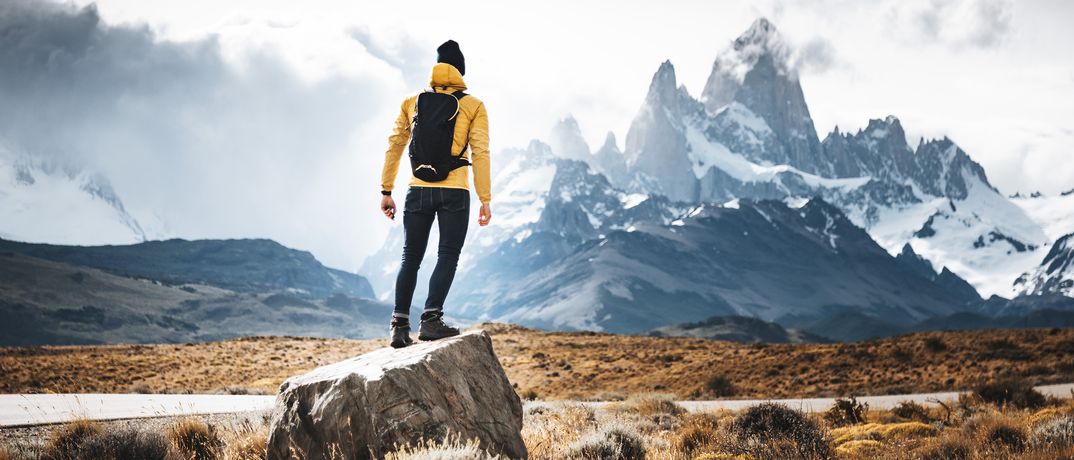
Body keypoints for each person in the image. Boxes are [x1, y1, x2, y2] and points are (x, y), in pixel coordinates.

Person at [379, 40, 492, 348]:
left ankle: (399, 326)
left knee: (410, 256)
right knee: (447, 255)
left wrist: (387, 189)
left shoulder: (413, 102)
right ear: (461, 71)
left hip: (418, 189)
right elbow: (480, 152)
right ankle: (431, 320)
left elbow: (395, 145)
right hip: (455, 191)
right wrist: (485, 199)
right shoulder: (473, 105)